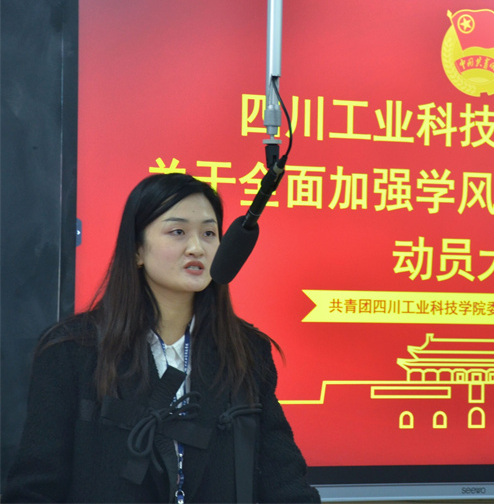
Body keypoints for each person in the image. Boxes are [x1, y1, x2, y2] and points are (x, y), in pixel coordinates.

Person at [4, 173, 321, 503]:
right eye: (178, 232)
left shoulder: (247, 351)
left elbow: (285, 483)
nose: (197, 247)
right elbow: (35, 489)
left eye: (209, 233)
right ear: (137, 250)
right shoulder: (71, 350)